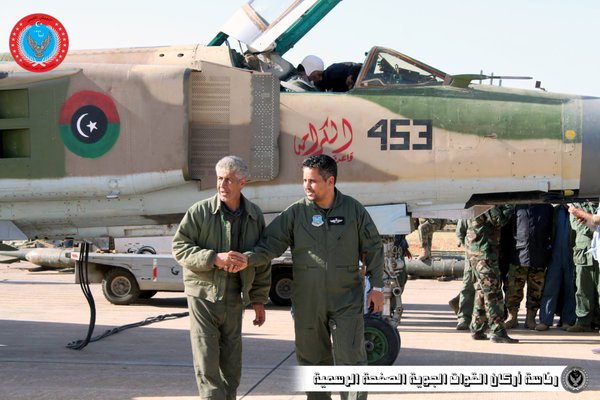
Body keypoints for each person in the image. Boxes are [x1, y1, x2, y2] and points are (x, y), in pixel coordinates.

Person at [245, 154, 384, 400]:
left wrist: (378, 288)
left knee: (351, 363)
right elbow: (270, 244)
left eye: (312, 181)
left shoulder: (353, 211)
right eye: (304, 180)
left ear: (330, 181)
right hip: (308, 303)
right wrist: (247, 258)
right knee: (313, 364)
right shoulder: (296, 213)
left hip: (346, 301)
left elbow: (373, 248)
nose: (306, 186)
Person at [172, 156, 271, 400]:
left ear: (242, 183)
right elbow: (179, 248)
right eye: (219, 179)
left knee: (232, 364)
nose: (222, 185)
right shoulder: (199, 212)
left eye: (228, 180)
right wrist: (214, 258)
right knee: (206, 360)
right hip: (203, 295)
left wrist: (258, 299)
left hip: (235, 298)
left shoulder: (254, 216)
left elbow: (263, 259)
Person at [467, 205, 519, 343]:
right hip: (484, 253)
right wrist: (509, 206)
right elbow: (498, 220)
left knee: (482, 290)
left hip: (477, 252)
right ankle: (498, 331)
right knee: (493, 292)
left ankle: (477, 327)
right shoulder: (488, 202)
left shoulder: (479, 199)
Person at [504, 204, 554, 330]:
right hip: (518, 255)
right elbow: (508, 230)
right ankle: (512, 317)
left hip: (539, 255)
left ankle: (530, 318)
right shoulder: (516, 206)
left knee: (536, 290)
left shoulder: (547, 208)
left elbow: (552, 231)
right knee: (513, 289)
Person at [535, 204, 577, 331]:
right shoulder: (555, 211)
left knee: (570, 289)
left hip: (571, 255)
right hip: (555, 255)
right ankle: (545, 320)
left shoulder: (577, 210)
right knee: (550, 288)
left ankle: (567, 321)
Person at [566, 202, 600, 332]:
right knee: (582, 289)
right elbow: (578, 226)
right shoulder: (577, 205)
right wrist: (594, 223)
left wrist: (590, 221)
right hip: (583, 252)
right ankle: (583, 321)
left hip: (597, 250)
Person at [450, 219, 476, 330]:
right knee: (468, 284)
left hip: (493, 252)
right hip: (472, 255)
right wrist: (469, 249)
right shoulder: (471, 209)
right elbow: (460, 231)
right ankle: (464, 318)